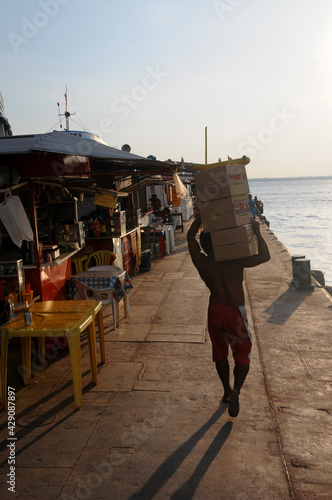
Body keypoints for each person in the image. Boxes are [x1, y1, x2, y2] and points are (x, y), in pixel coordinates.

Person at [187, 215, 271, 417]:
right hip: (235, 311)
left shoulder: (202, 261)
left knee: (220, 352)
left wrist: (201, 217)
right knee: (242, 354)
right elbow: (265, 256)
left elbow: (190, 237)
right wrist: (257, 231)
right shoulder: (235, 260)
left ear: (206, 245)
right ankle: (236, 390)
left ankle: (225, 391)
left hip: (214, 310)